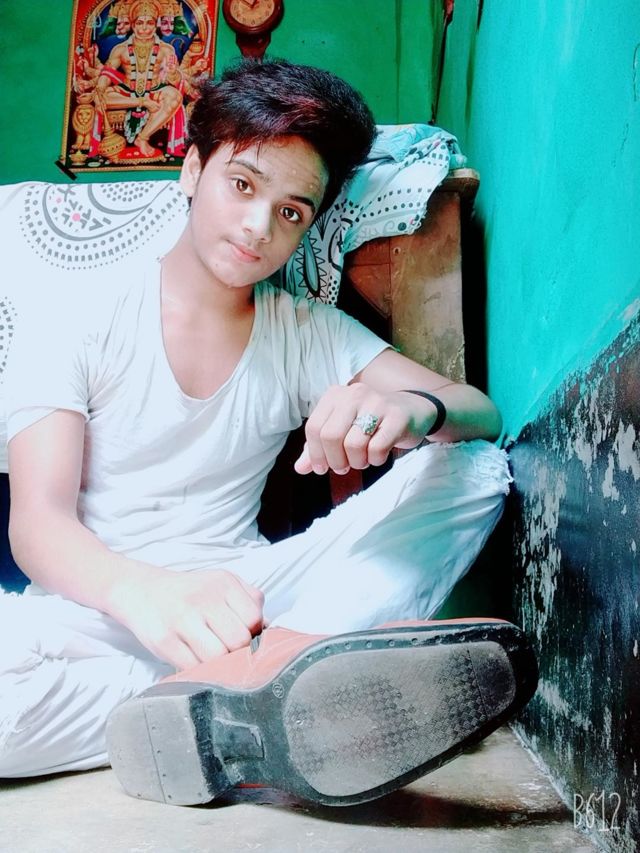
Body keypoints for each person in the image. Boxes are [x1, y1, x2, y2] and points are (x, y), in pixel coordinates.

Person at [1, 60, 533, 796]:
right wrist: (147, 596)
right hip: (95, 610)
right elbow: (39, 524)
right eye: (243, 185)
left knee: (475, 469)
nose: (258, 227)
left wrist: (417, 410)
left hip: (257, 603)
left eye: (291, 213)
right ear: (192, 170)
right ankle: (260, 693)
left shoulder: (303, 332)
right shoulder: (77, 317)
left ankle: (255, 680)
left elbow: (480, 412)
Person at [93, 0, 185, 158]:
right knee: (99, 97)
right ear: (133, 25)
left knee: (175, 96)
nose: (144, 28)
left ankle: (142, 138)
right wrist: (100, 88)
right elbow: (107, 74)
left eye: (149, 23)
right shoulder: (120, 49)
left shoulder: (166, 49)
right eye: (140, 23)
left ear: (155, 25)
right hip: (126, 92)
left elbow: (175, 81)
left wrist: (172, 72)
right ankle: (141, 102)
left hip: (154, 90)